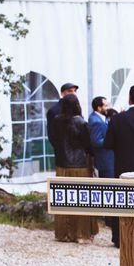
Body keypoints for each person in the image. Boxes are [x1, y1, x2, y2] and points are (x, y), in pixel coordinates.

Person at [51, 94, 98, 242]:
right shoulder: (81, 123)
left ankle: (63, 232)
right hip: (80, 165)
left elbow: (54, 140)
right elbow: (88, 145)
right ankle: (80, 233)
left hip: (62, 164)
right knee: (81, 199)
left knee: (63, 199)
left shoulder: (56, 121)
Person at [88, 96, 118, 246]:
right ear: (99, 107)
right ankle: (109, 218)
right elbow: (95, 141)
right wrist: (110, 142)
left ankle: (109, 217)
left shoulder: (100, 119)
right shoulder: (95, 121)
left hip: (107, 158)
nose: (108, 107)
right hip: (105, 159)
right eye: (106, 105)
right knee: (109, 186)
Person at [47, 82, 78, 167]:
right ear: (62, 93)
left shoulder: (76, 108)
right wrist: (62, 149)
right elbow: (52, 135)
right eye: (70, 91)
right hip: (63, 155)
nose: (74, 93)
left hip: (79, 154)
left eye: (75, 91)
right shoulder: (54, 110)